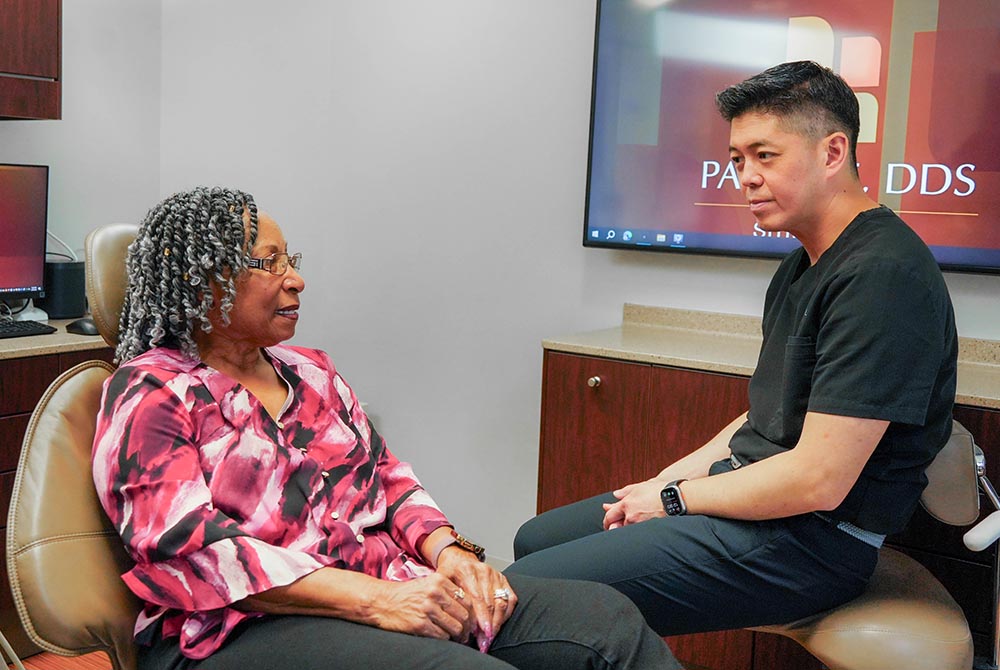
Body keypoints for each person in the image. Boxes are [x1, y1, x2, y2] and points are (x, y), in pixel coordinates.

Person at [92, 186, 679, 670]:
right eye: (269, 263)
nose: (296, 279)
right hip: (236, 629)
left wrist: (449, 554)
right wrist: (376, 600)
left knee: (607, 621)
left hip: (386, 584)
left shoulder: (311, 372)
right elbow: (192, 551)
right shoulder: (151, 393)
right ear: (204, 282)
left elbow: (388, 480)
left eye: (293, 260)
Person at [507, 61, 959, 636]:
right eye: (737, 159)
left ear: (832, 152)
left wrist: (675, 502)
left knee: (530, 596)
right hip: (754, 500)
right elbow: (763, 415)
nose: (744, 175)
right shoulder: (804, 262)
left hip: (812, 542)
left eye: (764, 156)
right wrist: (661, 484)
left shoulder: (884, 275)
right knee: (534, 540)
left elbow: (820, 479)